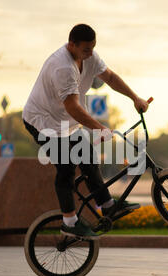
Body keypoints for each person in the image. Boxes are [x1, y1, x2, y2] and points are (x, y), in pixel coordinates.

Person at [22, 24, 149, 239]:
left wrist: (135, 97)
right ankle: (69, 222)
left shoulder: (89, 55)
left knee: (89, 158)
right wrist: (100, 128)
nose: (90, 53)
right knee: (66, 167)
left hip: (66, 122)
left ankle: (107, 205)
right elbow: (72, 106)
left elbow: (110, 77)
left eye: (93, 48)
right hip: (42, 122)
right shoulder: (62, 67)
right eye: (86, 49)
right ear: (72, 44)